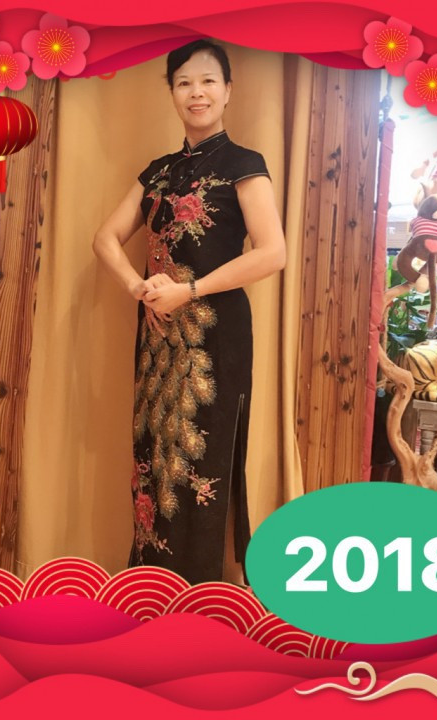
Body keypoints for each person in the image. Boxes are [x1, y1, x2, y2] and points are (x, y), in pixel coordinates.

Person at [93, 40, 286, 585]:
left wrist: (191, 289)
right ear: (172, 93)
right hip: (158, 336)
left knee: (205, 457)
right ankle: (151, 583)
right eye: (183, 83)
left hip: (215, 337)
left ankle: (205, 592)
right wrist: (137, 286)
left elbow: (273, 253)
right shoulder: (158, 172)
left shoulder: (245, 164)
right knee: (151, 454)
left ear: (227, 91)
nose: (196, 93)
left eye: (207, 81)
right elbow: (105, 238)